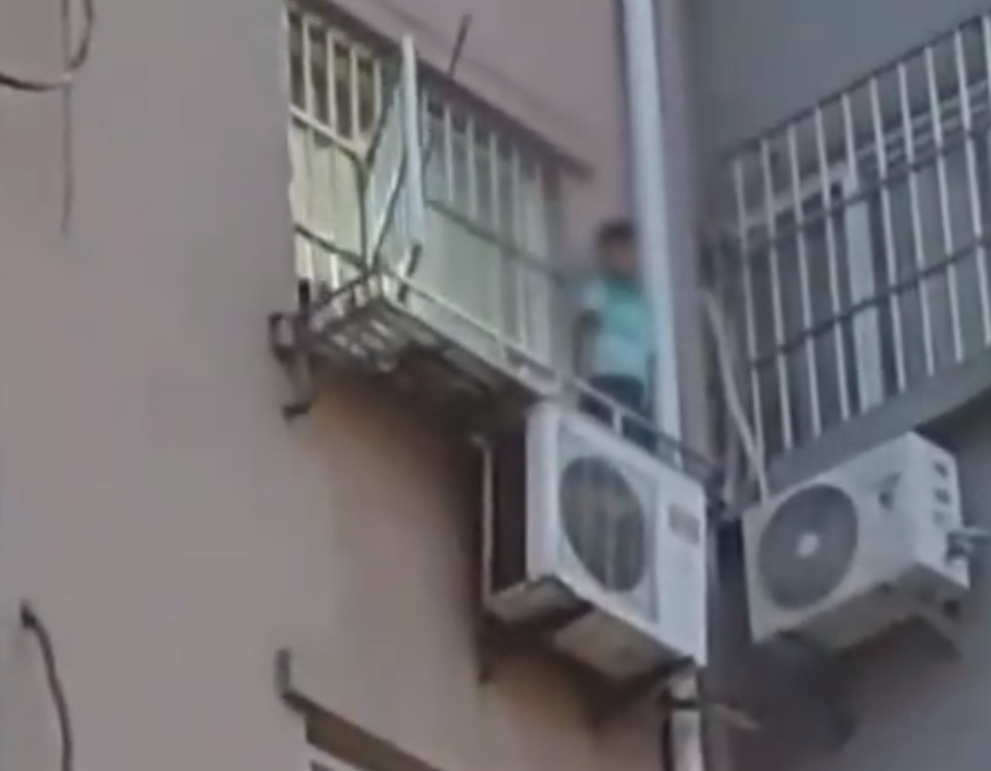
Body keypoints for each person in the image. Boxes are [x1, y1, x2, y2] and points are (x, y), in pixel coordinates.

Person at [574, 218, 655, 451]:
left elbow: (650, 353)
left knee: (637, 446)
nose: (625, 258)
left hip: (636, 385)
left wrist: (651, 394)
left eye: (629, 251)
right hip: (607, 379)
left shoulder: (643, 300)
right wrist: (581, 381)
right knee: (611, 442)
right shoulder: (599, 289)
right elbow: (583, 333)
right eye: (616, 252)